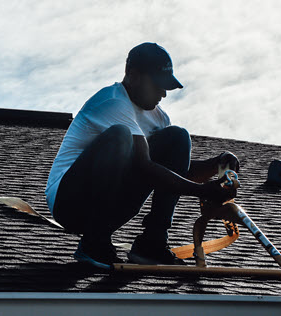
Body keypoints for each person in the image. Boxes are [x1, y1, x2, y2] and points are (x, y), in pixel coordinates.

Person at [45, 42, 240, 268]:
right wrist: (203, 191)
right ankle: (93, 241)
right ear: (133, 75)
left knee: (177, 137)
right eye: (158, 85)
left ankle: (152, 243)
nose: (164, 94)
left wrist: (216, 166)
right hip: (69, 202)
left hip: (111, 205)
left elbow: (171, 173)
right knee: (121, 135)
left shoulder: (158, 118)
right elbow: (145, 165)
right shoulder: (112, 102)